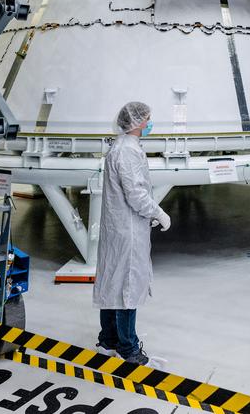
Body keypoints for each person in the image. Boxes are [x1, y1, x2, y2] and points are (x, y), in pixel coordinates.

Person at [93, 101, 171, 366]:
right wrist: (158, 213)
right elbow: (136, 194)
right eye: (148, 118)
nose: (150, 122)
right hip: (127, 230)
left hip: (119, 228)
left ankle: (108, 340)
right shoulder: (127, 152)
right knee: (127, 286)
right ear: (138, 122)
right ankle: (128, 348)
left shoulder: (123, 147)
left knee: (113, 282)